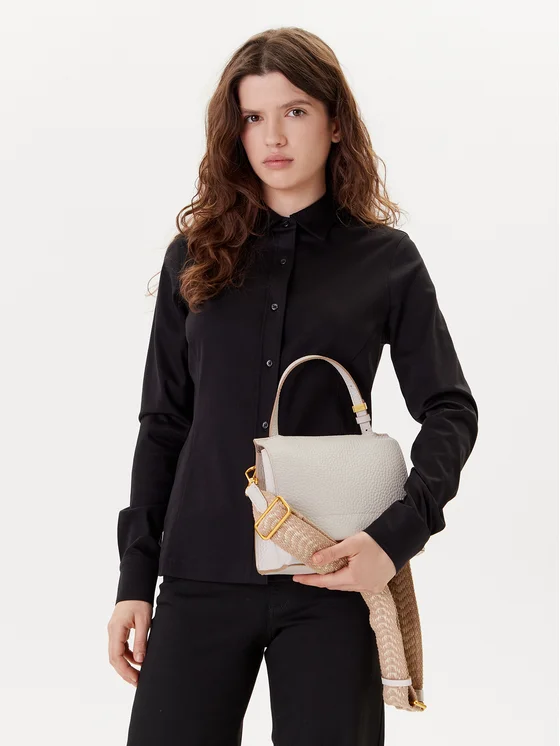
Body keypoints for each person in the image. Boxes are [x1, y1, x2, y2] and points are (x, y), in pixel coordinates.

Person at [107, 26, 478, 746]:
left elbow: (449, 410)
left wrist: (394, 538)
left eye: (296, 111)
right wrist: (135, 578)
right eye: (253, 116)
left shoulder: (387, 261)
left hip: (332, 574)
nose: (273, 136)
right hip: (199, 573)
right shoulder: (194, 256)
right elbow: (164, 424)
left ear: (336, 123)